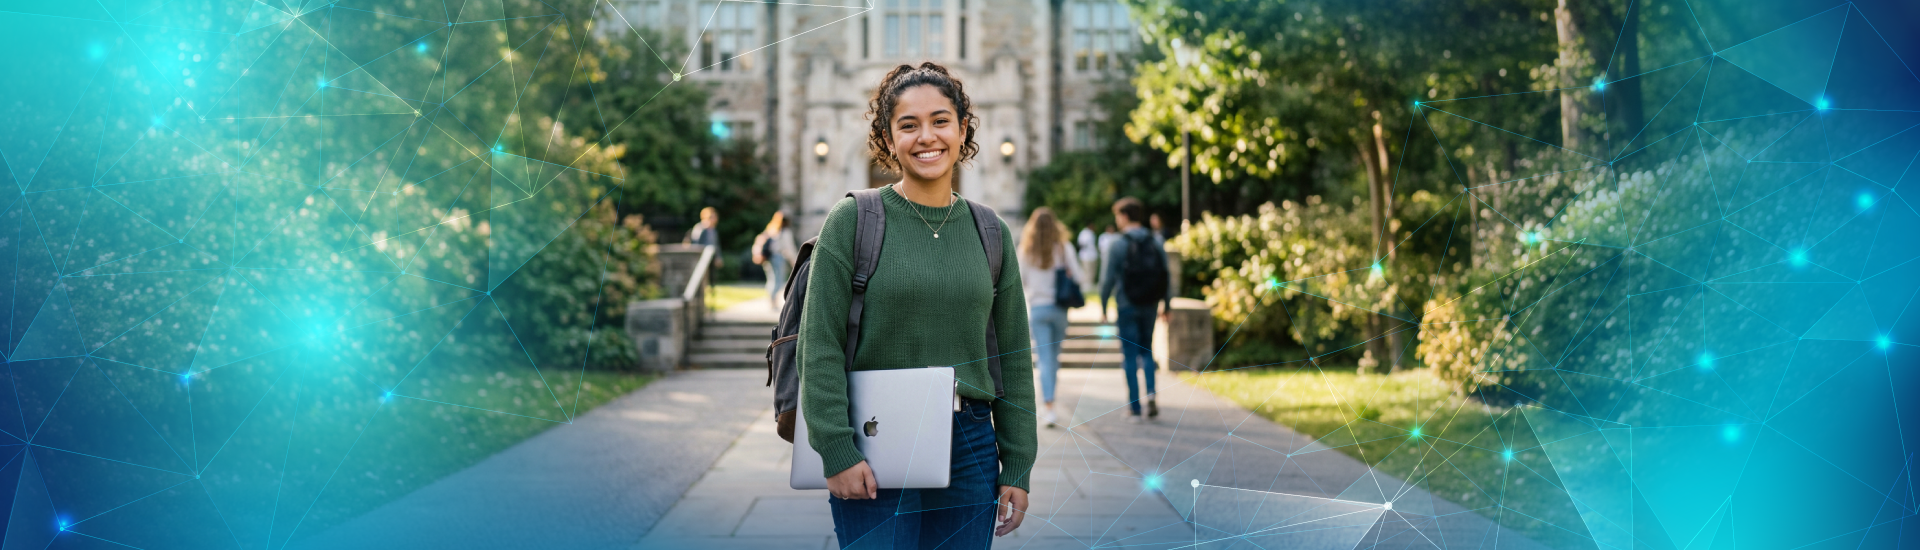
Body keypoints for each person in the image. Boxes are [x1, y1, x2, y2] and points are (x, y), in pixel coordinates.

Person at [798, 61, 1034, 548]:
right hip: (874, 435)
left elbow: (1012, 358)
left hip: (970, 444)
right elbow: (817, 343)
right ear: (888, 138)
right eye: (908, 125)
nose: (927, 137)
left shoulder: (991, 231)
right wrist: (836, 449)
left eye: (940, 120)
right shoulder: (853, 219)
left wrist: (1018, 463)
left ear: (963, 128)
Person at [1099, 197, 1172, 423]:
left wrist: (1103, 306)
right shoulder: (1155, 241)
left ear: (1124, 216)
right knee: (1147, 351)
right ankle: (1151, 394)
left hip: (1126, 305)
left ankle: (1134, 407)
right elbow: (1166, 275)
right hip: (1149, 305)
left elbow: (1107, 279)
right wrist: (1167, 304)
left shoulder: (1118, 243)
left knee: (1130, 355)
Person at [1018, 207, 1084, 430]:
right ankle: (1050, 401)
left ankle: (1049, 407)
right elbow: (1079, 276)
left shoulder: (1027, 249)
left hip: (1038, 309)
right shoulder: (1064, 248)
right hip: (1059, 310)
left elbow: (1019, 281)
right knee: (1053, 359)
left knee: (1044, 359)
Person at [753, 211, 799, 310]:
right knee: (778, 280)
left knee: (771, 280)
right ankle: (773, 303)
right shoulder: (785, 232)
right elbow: (789, 248)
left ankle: (772, 302)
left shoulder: (771, 229)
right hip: (777, 257)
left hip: (768, 258)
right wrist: (795, 261)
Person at [1096, 224, 1121, 290]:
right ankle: (1102, 284)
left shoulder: (1116, 236)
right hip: (1105, 257)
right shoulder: (1103, 236)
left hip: (1114, 257)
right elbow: (1101, 247)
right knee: (1104, 271)